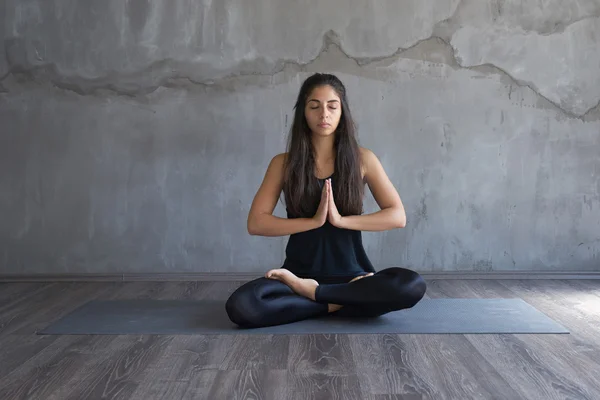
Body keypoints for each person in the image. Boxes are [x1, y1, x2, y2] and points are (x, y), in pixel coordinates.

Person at [225, 73, 426, 328]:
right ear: (304, 113)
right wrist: (313, 221)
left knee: (412, 285)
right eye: (314, 106)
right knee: (243, 305)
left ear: (343, 112)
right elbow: (256, 223)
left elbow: (397, 216)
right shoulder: (283, 163)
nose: (324, 114)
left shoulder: (363, 159)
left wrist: (340, 221)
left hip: (354, 278)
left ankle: (318, 297)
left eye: (332, 106)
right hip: (297, 275)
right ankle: (339, 303)